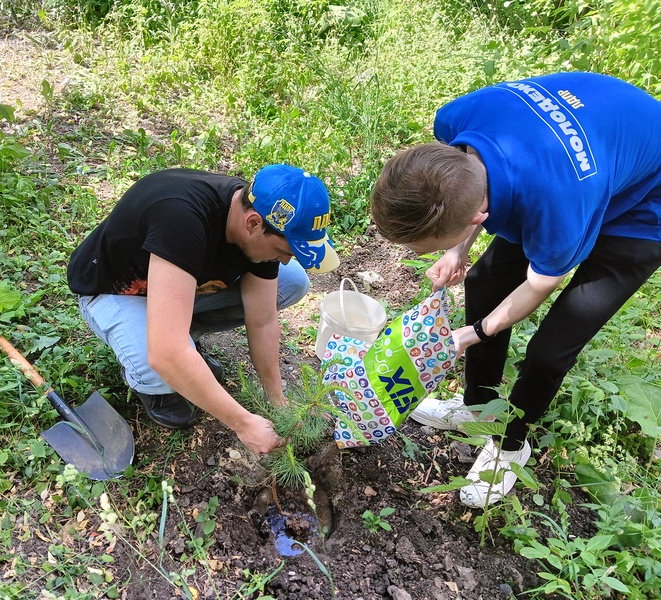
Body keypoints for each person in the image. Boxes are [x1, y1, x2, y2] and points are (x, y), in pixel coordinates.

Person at [371, 72, 661, 507]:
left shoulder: (555, 205)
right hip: (588, 154)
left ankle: (510, 445)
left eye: (423, 248)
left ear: (477, 216)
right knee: (484, 280)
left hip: (644, 205)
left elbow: (539, 284)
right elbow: (463, 192)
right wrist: (457, 253)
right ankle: (478, 410)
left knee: (550, 348)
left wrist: (472, 334)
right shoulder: (456, 121)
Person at [68, 164, 339, 455]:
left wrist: (277, 401)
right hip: (114, 290)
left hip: (174, 283)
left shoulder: (266, 214)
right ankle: (153, 382)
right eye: (285, 252)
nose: (284, 260)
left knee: (292, 282)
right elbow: (166, 353)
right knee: (162, 362)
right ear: (252, 223)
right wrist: (244, 423)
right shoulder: (183, 219)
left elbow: (262, 321)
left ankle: (179, 335)